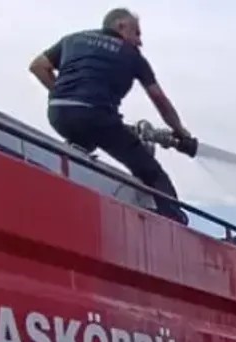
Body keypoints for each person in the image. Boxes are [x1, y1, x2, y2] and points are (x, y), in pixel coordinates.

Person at [28, 8, 191, 225]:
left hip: (59, 113)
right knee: (152, 173)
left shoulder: (72, 40)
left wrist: (61, 93)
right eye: (137, 33)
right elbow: (159, 99)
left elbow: (38, 66)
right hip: (98, 119)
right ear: (121, 26)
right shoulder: (132, 56)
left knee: (82, 145)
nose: (140, 41)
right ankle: (175, 222)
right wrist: (181, 132)